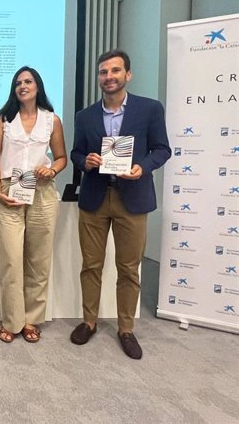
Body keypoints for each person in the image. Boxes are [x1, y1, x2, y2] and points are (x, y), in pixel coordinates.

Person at [70, 49, 170, 359]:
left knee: (128, 268)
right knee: (91, 265)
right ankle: (89, 321)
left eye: (115, 71)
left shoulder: (149, 109)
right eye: (103, 72)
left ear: (127, 75)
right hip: (95, 198)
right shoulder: (84, 116)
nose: (109, 77)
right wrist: (85, 161)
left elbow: (162, 149)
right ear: (98, 77)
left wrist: (143, 166)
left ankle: (126, 328)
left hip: (133, 198)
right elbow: (75, 154)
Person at [0, 66, 67, 345]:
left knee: (38, 260)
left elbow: (61, 157)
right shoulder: (3, 119)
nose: (23, 86)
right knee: (11, 259)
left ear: (38, 86)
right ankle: (12, 321)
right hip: (10, 190)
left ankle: (31, 319)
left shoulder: (52, 120)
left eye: (28, 81)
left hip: (42, 191)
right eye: (18, 83)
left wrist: (53, 170)